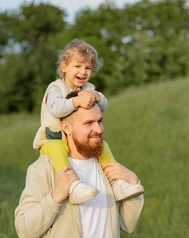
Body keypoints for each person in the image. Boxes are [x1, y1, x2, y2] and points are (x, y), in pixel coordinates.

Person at [15, 93, 144, 238]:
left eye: (99, 121)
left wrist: (133, 183)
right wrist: (56, 197)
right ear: (66, 128)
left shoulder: (107, 167)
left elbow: (128, 225)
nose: (99, 129)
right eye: (88, 123)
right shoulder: (43, 169)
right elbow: (24, 231)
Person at [33, 39, 144, 205]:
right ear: (64, 67)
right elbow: (55, 108)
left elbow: (104, 105)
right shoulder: (56, 88)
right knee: (57, 147)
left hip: (77, 140)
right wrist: (76, 102)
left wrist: (97, 96)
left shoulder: (88, 88)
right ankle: (73, 186)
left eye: (88, 68)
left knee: (103, 146)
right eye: (77, 66)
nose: (83, 72)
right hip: (52, 139)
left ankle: (116, 183)